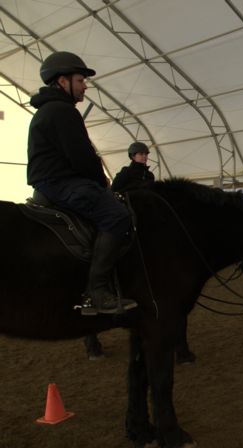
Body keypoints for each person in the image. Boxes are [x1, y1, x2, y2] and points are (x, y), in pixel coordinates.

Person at [27, 51, 137, 315]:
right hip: (62, 183)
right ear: (62, 82)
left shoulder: (50, 110)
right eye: (80, 80)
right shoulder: (62, 111)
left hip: (50, 182)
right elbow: (82, 158)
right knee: (117, 216)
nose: (85, 85)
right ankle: (97, 291)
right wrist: (102, 184)